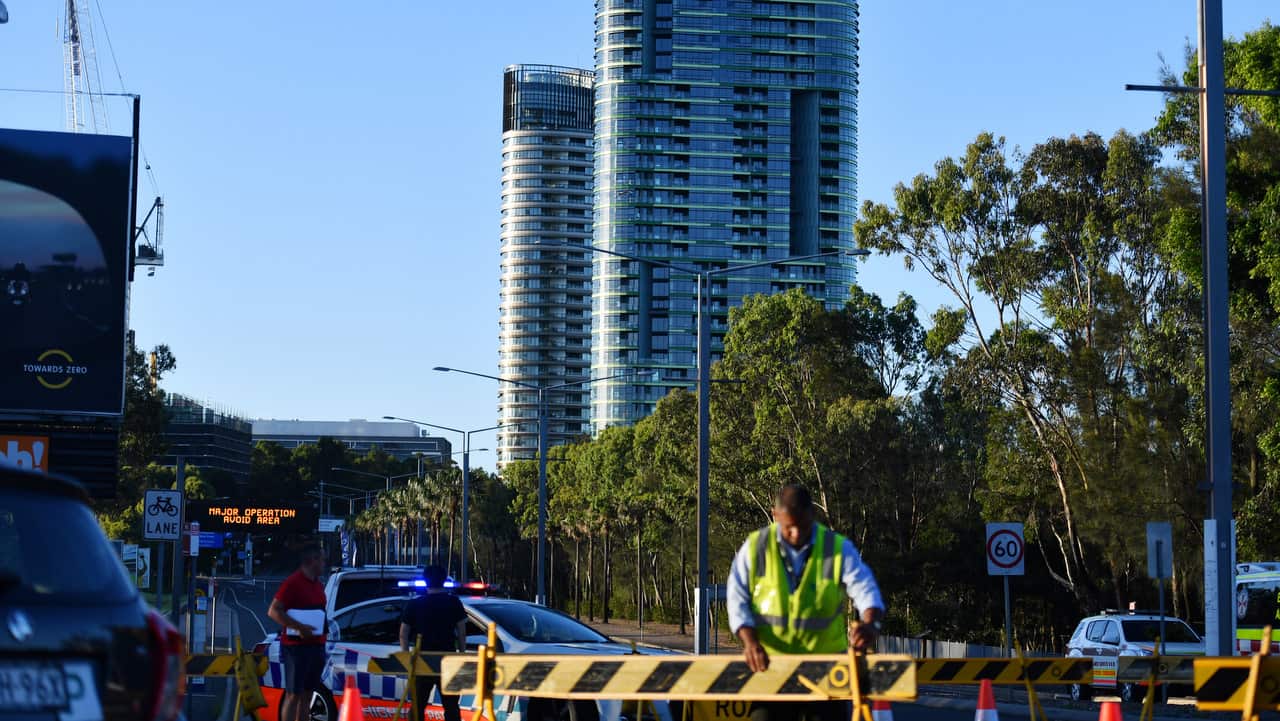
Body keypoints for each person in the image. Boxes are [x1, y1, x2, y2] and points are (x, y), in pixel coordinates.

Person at [727, 484, 885, 721]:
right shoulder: (756, 547)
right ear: (775, 515)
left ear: (812, 514)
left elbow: (866, 589)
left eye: (802, 526)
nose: (796, 534)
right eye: (789, 528)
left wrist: (870, 623)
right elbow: (737, 599)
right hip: (771, 670)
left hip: (827, 674)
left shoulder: (835, 547)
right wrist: (749, 642)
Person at [267, 545, 328, 721]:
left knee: (308, 695)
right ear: (312, 560)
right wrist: (300, 628)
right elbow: (273, 611)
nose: (324, 564)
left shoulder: (319, 585)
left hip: (317, 646)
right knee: (294, 695)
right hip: (296, 648)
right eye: (322, 559)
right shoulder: (292, 583)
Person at [400, 565, 467, 721]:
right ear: (444, 580)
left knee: (417, 707)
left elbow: (403, 633)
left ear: (425, 581)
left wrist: (406, 656)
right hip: (448, 661)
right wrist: (462, 654)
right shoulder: (454, 602)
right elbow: (462, 632)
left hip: (421, 661)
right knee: (451, 708)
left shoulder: (414, 604)